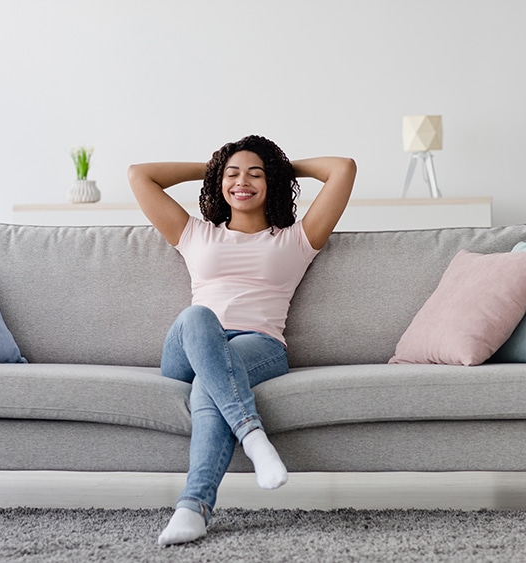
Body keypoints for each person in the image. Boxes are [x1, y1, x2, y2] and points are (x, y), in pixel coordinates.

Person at [128, 135, 356, 546]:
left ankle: (192, 507)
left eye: (255, 174)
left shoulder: (295, 239)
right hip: (190, 345)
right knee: (198, 316)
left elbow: (343, 168)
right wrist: (215, 166)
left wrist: (280, 164)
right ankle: (253, 435)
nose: (242, 181)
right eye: (232, 175)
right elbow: (139, 175)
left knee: (208, 384)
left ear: (272, 182)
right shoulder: (196, 234)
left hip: (260, 348)